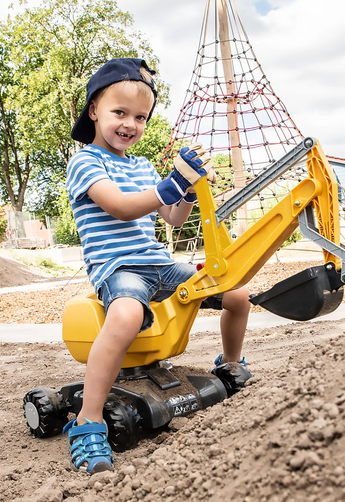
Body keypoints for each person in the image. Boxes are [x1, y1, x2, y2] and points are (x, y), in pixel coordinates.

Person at [64, 58, 252, 474]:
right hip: (118, 268)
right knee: (128, 312)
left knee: (237, 292)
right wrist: (168, 184)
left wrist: (183, 188)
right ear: (94, 110)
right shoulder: (85, 162)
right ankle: (88, 421)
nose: (129, 124)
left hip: (158, 266)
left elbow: (173, 218)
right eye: (119, 113)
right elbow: (121, 206)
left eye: (140, 117)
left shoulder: (144, 166)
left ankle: (232, 365)